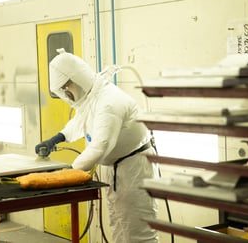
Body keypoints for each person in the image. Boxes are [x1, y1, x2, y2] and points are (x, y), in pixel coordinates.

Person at [35, 49, 159, 243]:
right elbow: (81, 121)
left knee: (137, 231)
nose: (67, 93)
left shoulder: (109, 101)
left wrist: (67, 173)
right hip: (119, 168)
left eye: (67, 87)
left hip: (135, 169)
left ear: (75, 80)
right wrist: (57, 138)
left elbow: (99, 148)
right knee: (119, 225)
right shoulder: (93, 96)